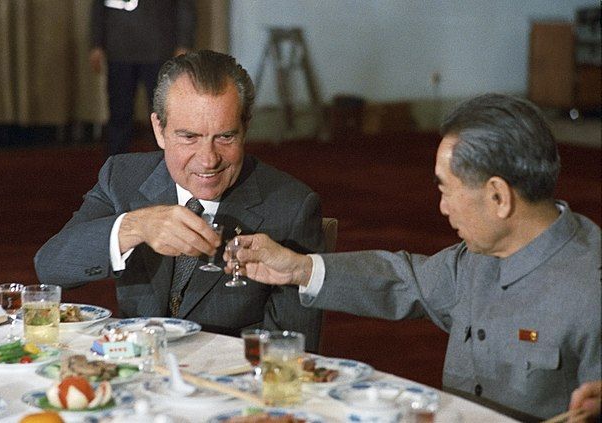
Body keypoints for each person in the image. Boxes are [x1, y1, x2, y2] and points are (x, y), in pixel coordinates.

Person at [225, 94, 601, 421]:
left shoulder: (591, 287)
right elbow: (405, 279)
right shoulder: (477, 258)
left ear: (498, 197)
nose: (441, 208)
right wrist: (300, 268)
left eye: (447, 190)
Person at [34, 50, 325, 351]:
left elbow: (292, 354)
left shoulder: (292, 207)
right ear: (159, 130)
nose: (208, 159)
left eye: (225, 137)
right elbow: (51, 266)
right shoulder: (123, 177)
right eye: (189, 137)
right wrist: (134, 227)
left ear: (245, 128)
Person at [90, 0, 197, 156]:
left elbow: (185, 6)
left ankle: (165, 167)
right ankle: (117, 166)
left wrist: (184, 43)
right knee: (119, 115)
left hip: (159, 50)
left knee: (163, 115)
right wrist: (96, 44)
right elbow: (98, 7)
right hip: (119, 50)